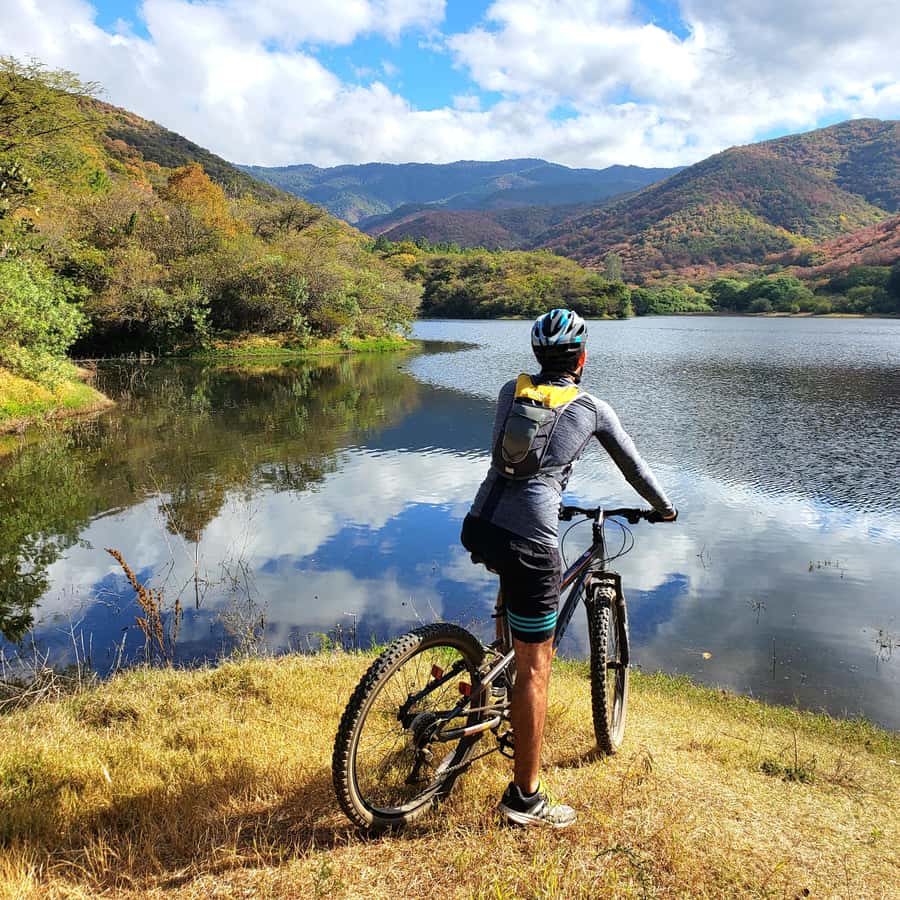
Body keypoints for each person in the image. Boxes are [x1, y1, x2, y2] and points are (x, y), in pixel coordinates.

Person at [461, 308, 677, 828]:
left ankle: (493, 670)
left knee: (513, 615)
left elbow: (509, 462)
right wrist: (665, 507)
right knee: (537, 669)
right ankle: (525, 799)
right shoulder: (592, 407)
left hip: (480, 521)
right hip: (532, 540)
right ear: (580, 357)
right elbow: (634, 469)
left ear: (538, 355)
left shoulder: (509, 392)